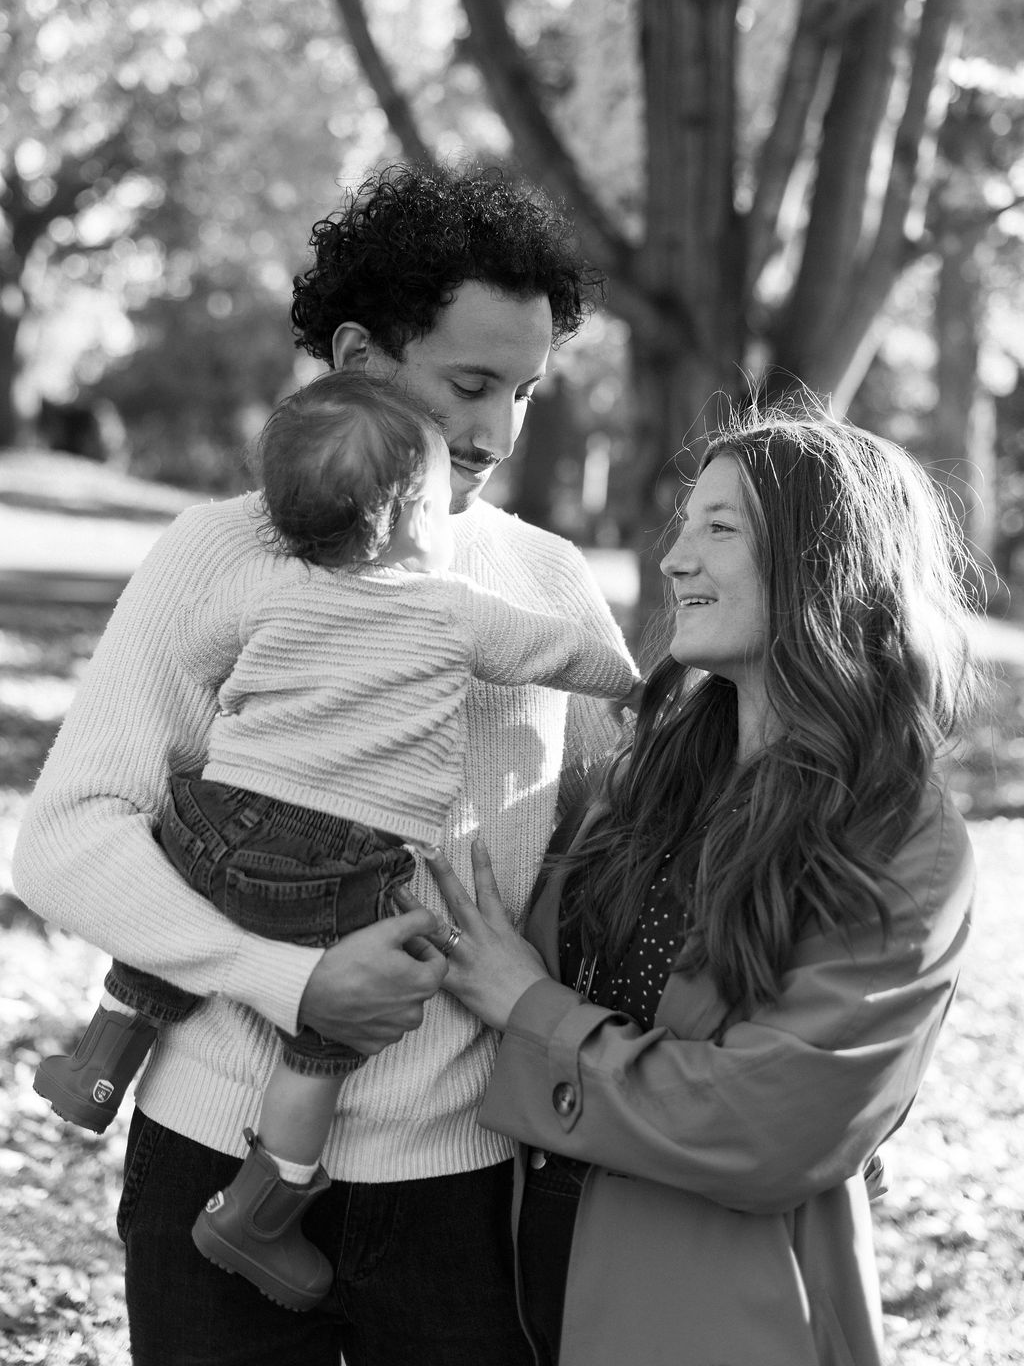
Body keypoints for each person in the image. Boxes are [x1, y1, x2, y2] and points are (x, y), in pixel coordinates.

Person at [12, 162, 634, 1366]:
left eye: (526, 391)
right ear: (358, 355)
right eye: (470, 383)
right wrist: (287, 983)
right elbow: (70, 834)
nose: (497, 431)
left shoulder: (547, 589)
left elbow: (619, 854)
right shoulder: (220, 554)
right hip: (207, 1155)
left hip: (466, 1179)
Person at [410, 405, 981, 1366]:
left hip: (715, 1320)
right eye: (685, 524)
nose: (675, 558)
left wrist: (532, 1011)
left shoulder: (900, 837)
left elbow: (766, 1127)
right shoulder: (650, 776)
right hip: (515, 1287)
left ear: (824, 565)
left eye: (720, 529)